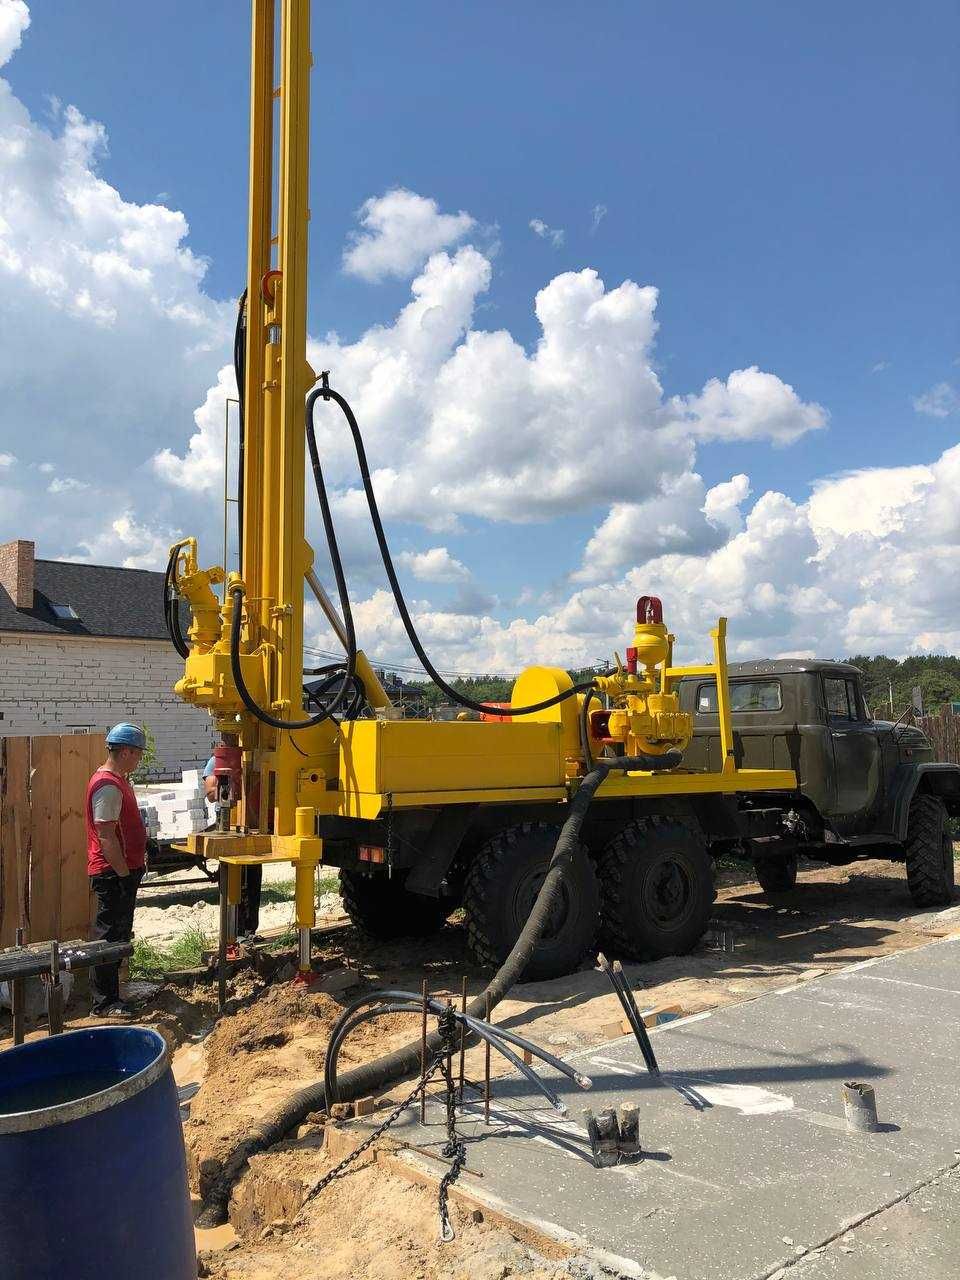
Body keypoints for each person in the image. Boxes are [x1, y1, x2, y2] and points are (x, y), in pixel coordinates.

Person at [86, 723, 148, 1014]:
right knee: (108, 938)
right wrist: (123, 874)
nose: (139, 760)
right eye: (137, 754)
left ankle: (113, 997)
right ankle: (104, 1003)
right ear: (125, 752)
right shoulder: (108, 785)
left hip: (122, 870)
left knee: (118, 937)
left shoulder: (119, 780)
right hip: (113, 873)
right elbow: (106, 836)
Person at [203, 752, 262, 942]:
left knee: (252, 878)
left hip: (251, 824)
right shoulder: (215, 762)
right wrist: (227, 780)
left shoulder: (254, 758)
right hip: (227, 824)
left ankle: (249, 931)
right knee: (231, 879)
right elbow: (211, 795)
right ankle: (231, 932)